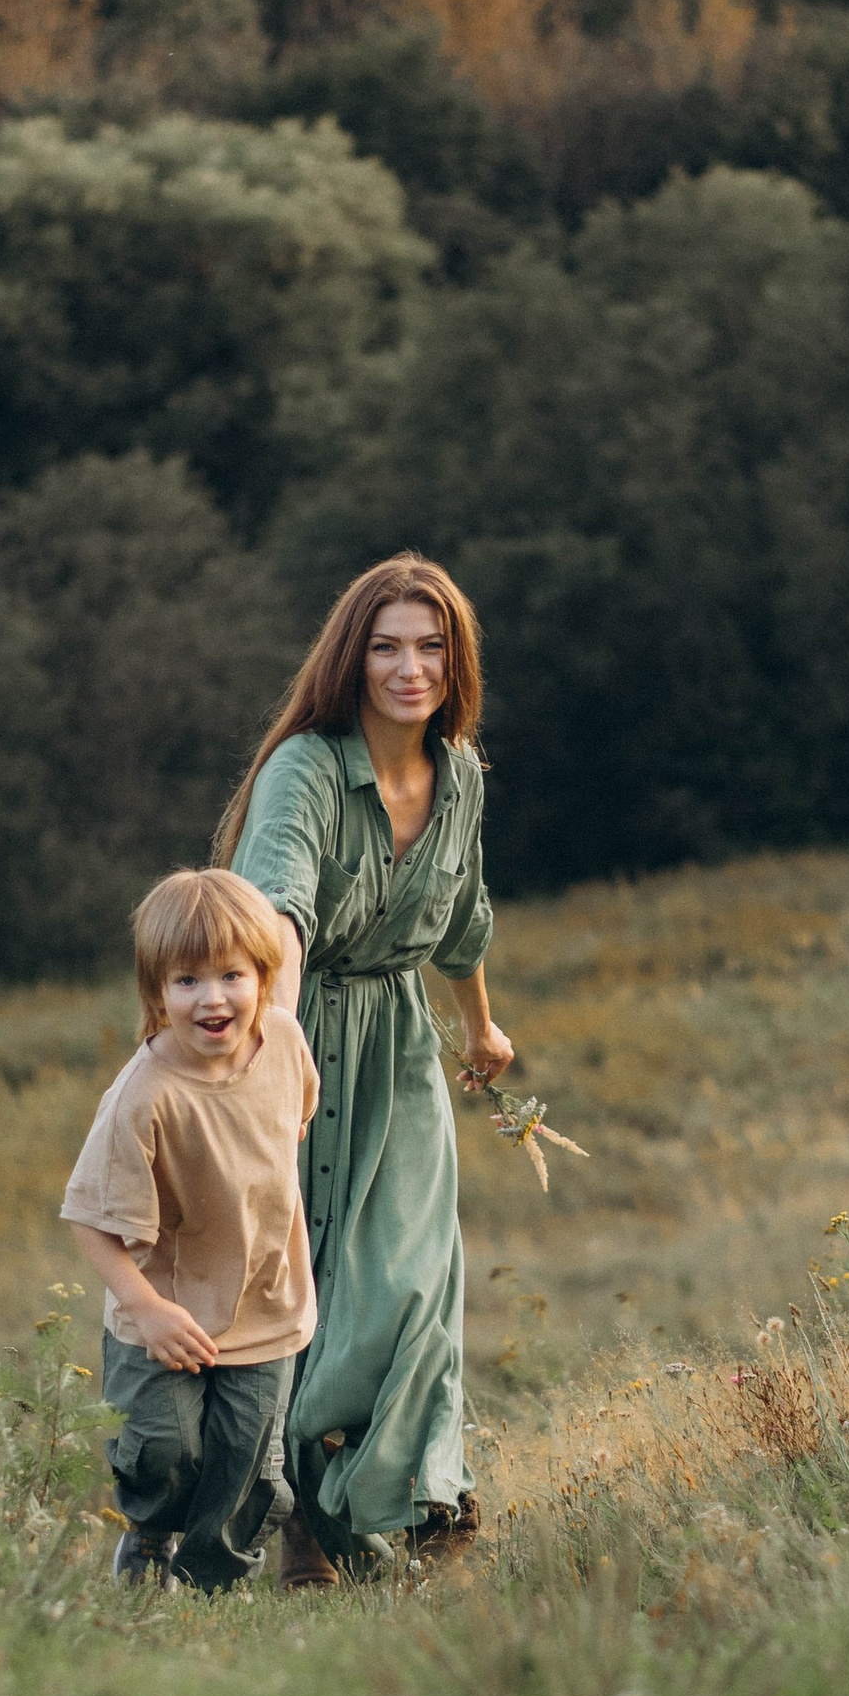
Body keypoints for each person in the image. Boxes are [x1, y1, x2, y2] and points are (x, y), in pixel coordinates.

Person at [215, 554, 513, 1579]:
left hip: (399, 1051)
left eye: (430, 646)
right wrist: (279, 1044)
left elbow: (462, 918)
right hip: (296, 1043)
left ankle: (429, 1499)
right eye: (386, 645)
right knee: (308, 1296)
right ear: (354, 656)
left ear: (454, 660)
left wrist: (480, 1031)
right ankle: (312, 1520)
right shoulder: (305, 767)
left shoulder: (461, 773)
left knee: (412, 1283)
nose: (409, 666)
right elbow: (278, 915)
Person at [61, 866, 319, 1592]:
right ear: (156, 993)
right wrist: (145, 1308)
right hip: (165, 1309)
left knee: (246, 1459)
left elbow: (290, 1123)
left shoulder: (285, 1041)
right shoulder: (142, 1097)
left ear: (264, 978)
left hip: (267, 1302)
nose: (212, 997)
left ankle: (210, 1585)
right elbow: (89, 1218)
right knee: (167, 1448)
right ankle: (149, 1536)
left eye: (232, 974)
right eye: (186, 981)